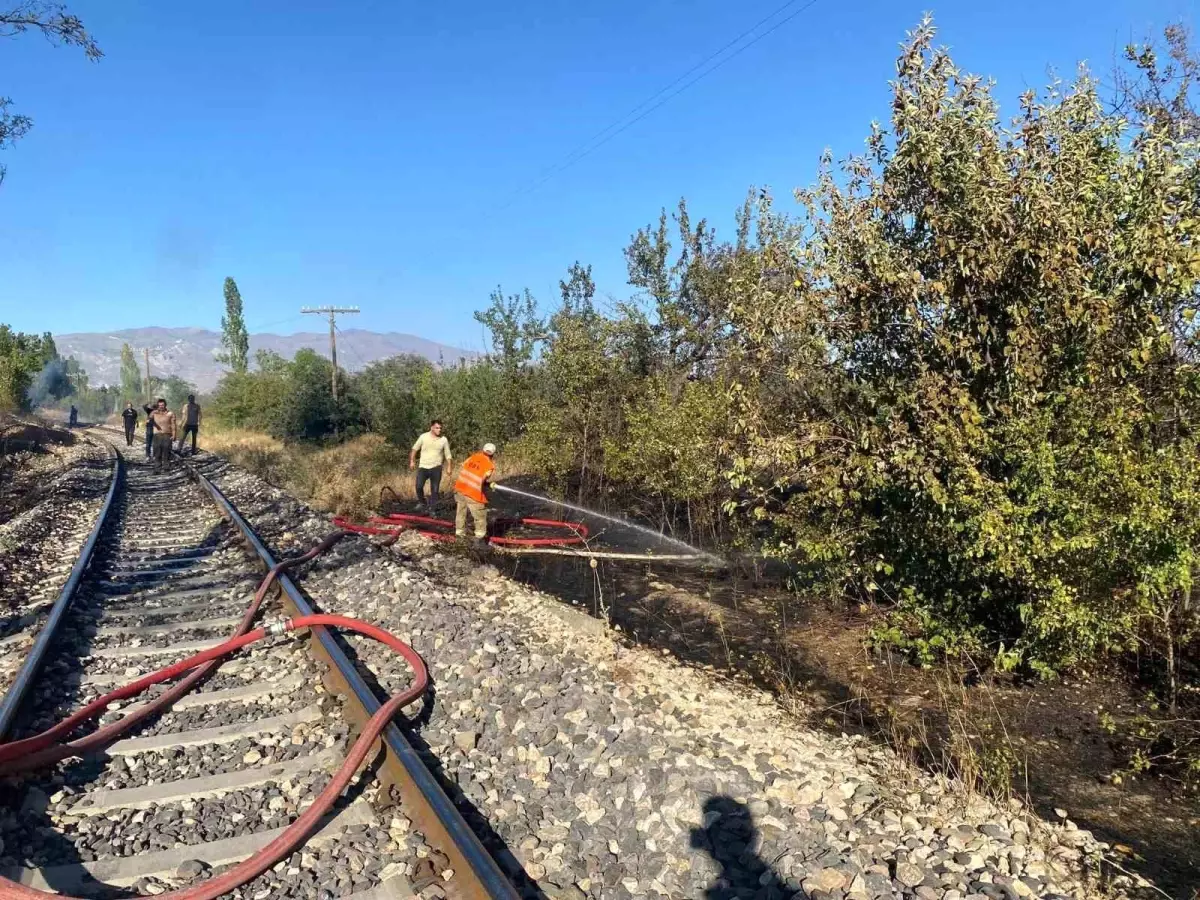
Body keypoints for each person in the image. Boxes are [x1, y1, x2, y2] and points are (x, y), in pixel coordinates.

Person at [454, 442, 496, 543]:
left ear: (483, 450)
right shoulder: (489, 465)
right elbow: (482, 480)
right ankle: (480, 539)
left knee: (461, 512)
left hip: (460, 488)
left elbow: (465, 466)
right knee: (480, 515)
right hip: (472, 492)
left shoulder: (473, 457)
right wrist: (487, 484)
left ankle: (459, 535)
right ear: (493, 454)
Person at [409, 419, 452, 511]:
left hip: (436, 467)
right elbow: (414, 449)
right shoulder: (423, 437)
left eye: (440, 428)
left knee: (435, 490)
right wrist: (412, 461)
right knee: (419, 486)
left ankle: (433, 508)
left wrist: (449, 466)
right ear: (432, 427)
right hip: (423, 467)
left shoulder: (443, 440)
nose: (439, 430)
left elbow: (448, 454)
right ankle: (422, 502)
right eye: (437, 428)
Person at [148, 398, 176, 474]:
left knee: (166, 452)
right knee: (157, 453)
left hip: (167, 434)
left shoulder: (170, 413)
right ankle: (157, 469)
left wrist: (174, 435)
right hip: (157, 435)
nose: (161, 406)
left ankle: (166, 468)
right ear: (158, 406)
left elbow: (173, 425)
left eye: (162, 405)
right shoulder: (154, 413)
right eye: (159, 405)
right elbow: (149, 419)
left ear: (165, 405)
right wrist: (151, 416)